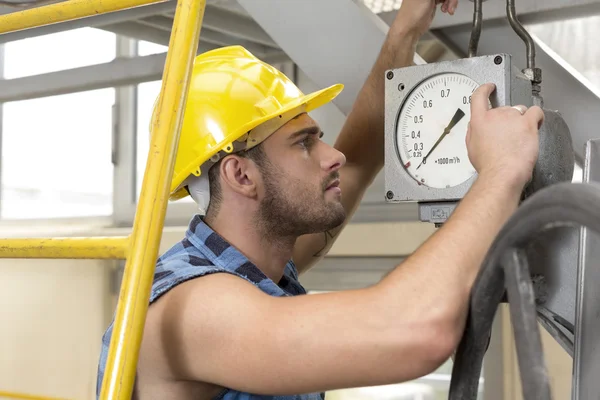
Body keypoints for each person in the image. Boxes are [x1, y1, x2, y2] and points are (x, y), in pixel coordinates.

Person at [96, 0, 544, 398]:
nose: (333, 155)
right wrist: (502, 169)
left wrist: (404, 30)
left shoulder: (259, 262)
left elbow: (357, 161)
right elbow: (413, 330)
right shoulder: (193, 309)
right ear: (241, 174)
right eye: (304, 143)